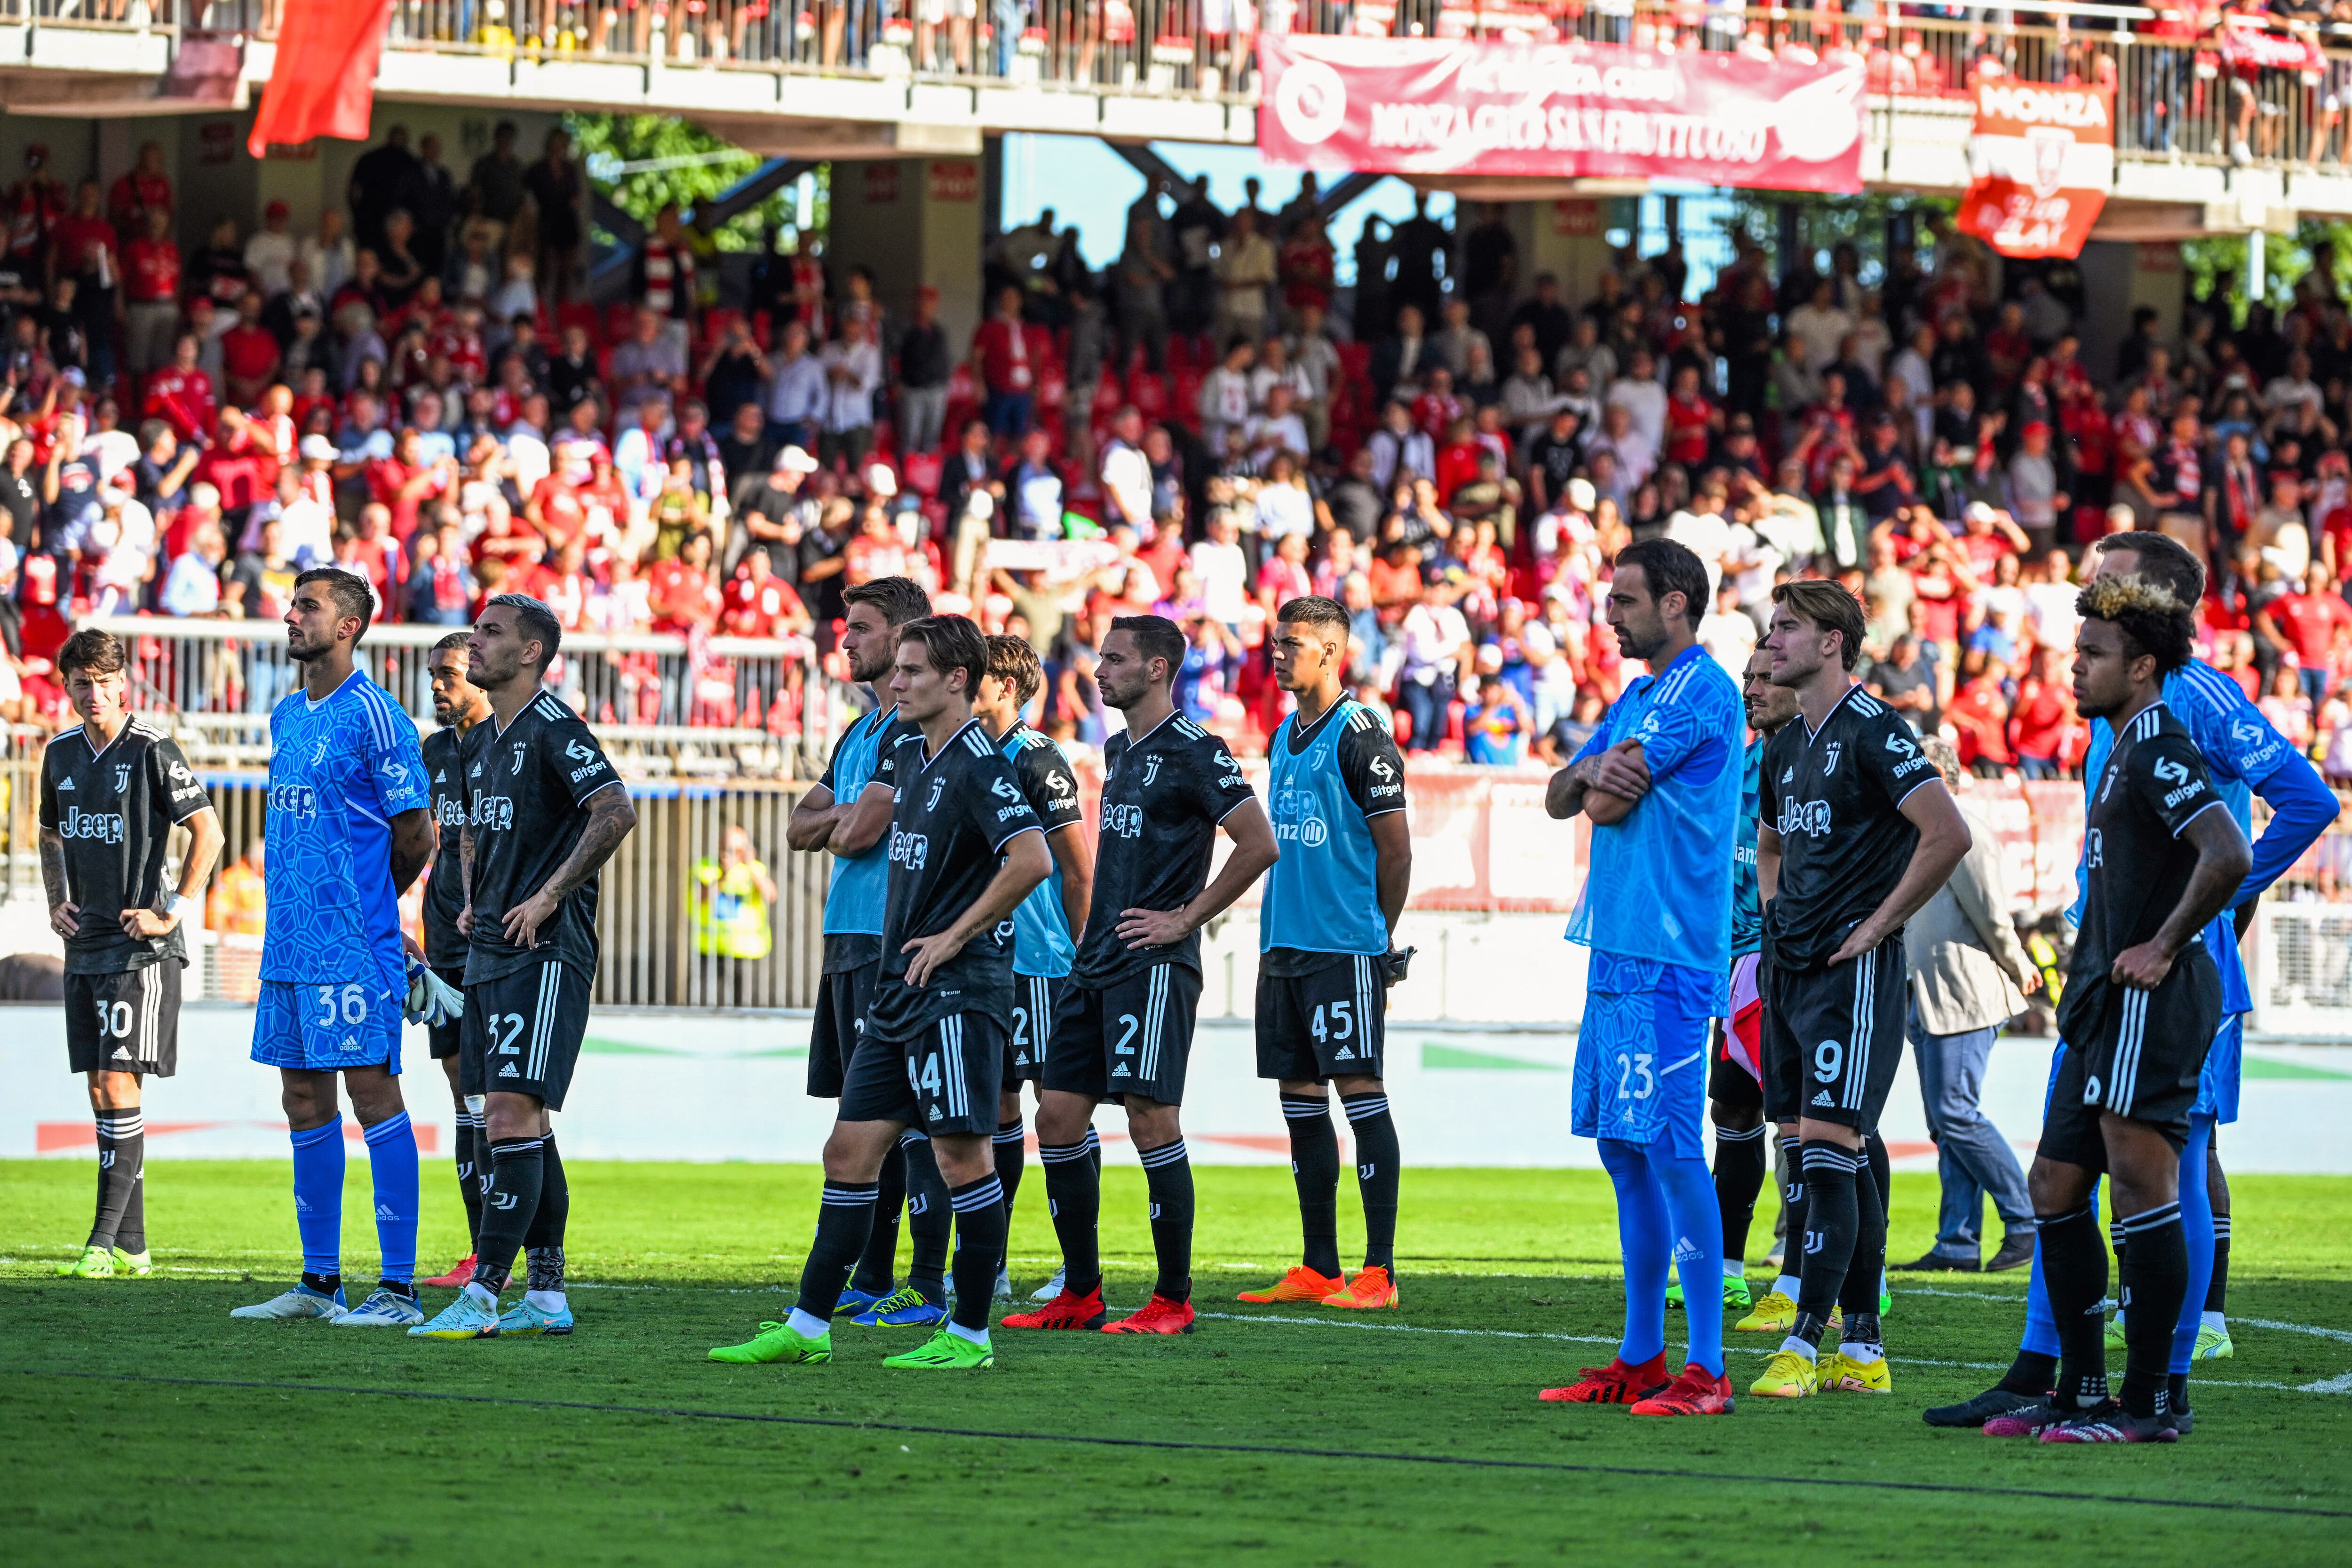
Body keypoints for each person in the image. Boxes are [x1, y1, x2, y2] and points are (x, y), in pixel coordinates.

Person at [1928, 531, 2332, 1429]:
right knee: (2065, 1178)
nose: (2088, 596)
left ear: (2152, 619)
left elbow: (2302, 802)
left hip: (2170, 974)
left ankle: (2160, 1381)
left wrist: (2216, 908)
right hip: (2104, 971)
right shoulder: (2114, 714)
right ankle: (2056, 1374)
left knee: (2168, 1165)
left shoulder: (2192, 701)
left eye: (2107, 586)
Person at [708, 614, 1053, 1371]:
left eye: (911, 671)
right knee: (848, 1150)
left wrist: (957, 933)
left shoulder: (978, 764)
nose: (894, 682)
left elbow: (1032, 859)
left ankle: (967, 1335)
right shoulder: (910, 753)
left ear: (957, 680)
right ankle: (807, 1326)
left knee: (965, 1161)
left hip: (959, 992)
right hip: (900, 991)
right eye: (894, 669)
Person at [1974, 576, 2250, 1443]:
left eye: (2092, 655)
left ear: (2141, 665)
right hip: (2100, 1000)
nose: (2074, 668)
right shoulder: (2123, 746)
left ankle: (2151, 1403)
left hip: (2148, 1000)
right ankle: (2080, 1389)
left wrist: (2165, 944)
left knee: (2141, 1187)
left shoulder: (2162, 744)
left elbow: (2230, 851)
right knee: (2054, 1185)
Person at [1004, 616, 1277, 1337]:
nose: (1100, 669)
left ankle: (1172, 1299)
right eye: (1102, 656)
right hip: (1095, 962)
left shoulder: (1197, 750)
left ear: (1158, 669)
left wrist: (1185, 919)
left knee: (1151, 1118)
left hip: (1154, 967)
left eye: (1116, 659)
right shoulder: (1119, 748)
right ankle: (1082, 1292)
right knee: (1057, 1117)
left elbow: (1260, 843)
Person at [1748, 579, 1971, 1399]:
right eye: (1772, 628)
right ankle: (1866, 1350)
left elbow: (1949, 833)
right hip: (1793, 967)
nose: (1773, 642)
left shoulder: (1878, 729)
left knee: (1831, 1150)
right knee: (1837, 1151)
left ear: (1833, 641)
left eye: (1788, 628)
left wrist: (1879, 926)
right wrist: (1778, 915)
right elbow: (1770, 847)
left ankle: (1805, 1345)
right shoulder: (1784, 743)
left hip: (1855, 974)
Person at [1538, 541, 1742, 1416]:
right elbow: (1561, 793)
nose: (1610, 612)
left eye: (1626, 599)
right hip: (1619, 944)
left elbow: (1608, 802)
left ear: (1677, 602)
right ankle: (1641, 1355)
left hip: (1669, 947)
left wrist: (1594, 777)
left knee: (1668, 1144)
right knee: (1623, 1148)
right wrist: (1590, 770)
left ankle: (1708, 1365)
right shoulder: (1636, 695)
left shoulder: (1701, 688)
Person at [411, 596, 638, 1340]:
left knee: (509, 1113)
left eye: (492, 633)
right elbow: (472, 831)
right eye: (476, 630)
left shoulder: (554, 727)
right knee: (523, 1125)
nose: (476, 643)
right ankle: (546, 1295)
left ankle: (482, 1295)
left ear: (533, 651)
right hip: (490, 947)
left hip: (546, 950)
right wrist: (472, 901)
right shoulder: (482, 742)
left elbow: (615, 811)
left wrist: (544, 896)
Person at [230, 570, 436, 1328]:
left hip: (352, 946)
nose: (290, 616)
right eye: (291, 603)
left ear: (348, 626)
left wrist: (374, 909)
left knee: (373, 1095)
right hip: (286, 945)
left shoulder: (377, 716)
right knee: (301, 1099)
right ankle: (320, 1282)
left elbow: (418, 832)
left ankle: (400, 1288)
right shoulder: (288, 713)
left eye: (307, 606)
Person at [777, 576, 953, 1325]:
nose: (844, 640)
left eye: (860, 628)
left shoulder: (910, 732)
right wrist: (844, 818)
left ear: (903, 636)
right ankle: (878, 1276)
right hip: (846, 935)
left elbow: (852, 833)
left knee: (911, 1118)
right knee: (866, 1112)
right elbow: (799, 825)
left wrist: (841, 821)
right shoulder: (858, 731)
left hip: (892, 935)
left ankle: (925, 1281)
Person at [1234, 594, 1414, 1314]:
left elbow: (1397, 848)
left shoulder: (1361, 733)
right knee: (1301, 1103)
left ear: (1332, 653)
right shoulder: (1284, 734)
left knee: (1361, 1093)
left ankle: (1381, 1270)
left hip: (1343, 946)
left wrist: (1377, 935)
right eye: (1276, 642)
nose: (1279, 653)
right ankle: (1319, 1265)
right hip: (1283, 942)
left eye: (1294, 643)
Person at [42, 629, 223, 1280]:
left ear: (124, 682)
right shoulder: (59, 753)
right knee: (100, 1089)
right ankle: (134, 1245)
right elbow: (49, 830)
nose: (94, 693)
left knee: (119, 1084)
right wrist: (55, 897)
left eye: (104, 680)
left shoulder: (151, 748)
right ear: (67, 687)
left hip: (139, 948)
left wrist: (173, 909)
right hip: (84, 942)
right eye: (81, 682)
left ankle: (99, 1239)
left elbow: (209, 828)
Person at [1668, 650, 1796, 1322]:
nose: (1752, 689)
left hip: (1801, 967)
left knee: (1818, 1122)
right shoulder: (1739, 765)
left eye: (1764, 677)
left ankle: (1839, 1277)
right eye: (1746, 678)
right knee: (1735, 1115)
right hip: (1736, 967)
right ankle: (1727, 1268)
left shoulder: (1819, 762)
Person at [971, 635, 1094, 1302]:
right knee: (994, 1109)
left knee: (1060, 1108)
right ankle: (992, 1259)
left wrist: (1080, 958)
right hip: (985, 959)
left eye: (978, 677)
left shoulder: (1038, 757)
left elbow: (1078, 870)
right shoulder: (966, 754)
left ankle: (1079, 1266)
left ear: (1009, 688)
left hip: (1043, 961)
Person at [1896, 735, 2040, 1275]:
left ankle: (2024, 1220)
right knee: (1944, 1119)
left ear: (1938, 772)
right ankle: (1957, 1239)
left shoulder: (1963, 830)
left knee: (1954, 1112)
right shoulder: (1926, 828)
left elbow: (1991, 915)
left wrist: (2019, 963)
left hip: (1962, 992)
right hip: (1932, 993)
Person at [416, 633, 493, 1291]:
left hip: (496, 934)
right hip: (444, 933)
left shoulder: (510, 743)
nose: (437, 686)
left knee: (495, 1091)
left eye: (448, 674)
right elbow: (423, 839)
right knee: (459, 1084)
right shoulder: (434, 750)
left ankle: (502, 1248)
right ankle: (479, 1250)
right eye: (432, 675)